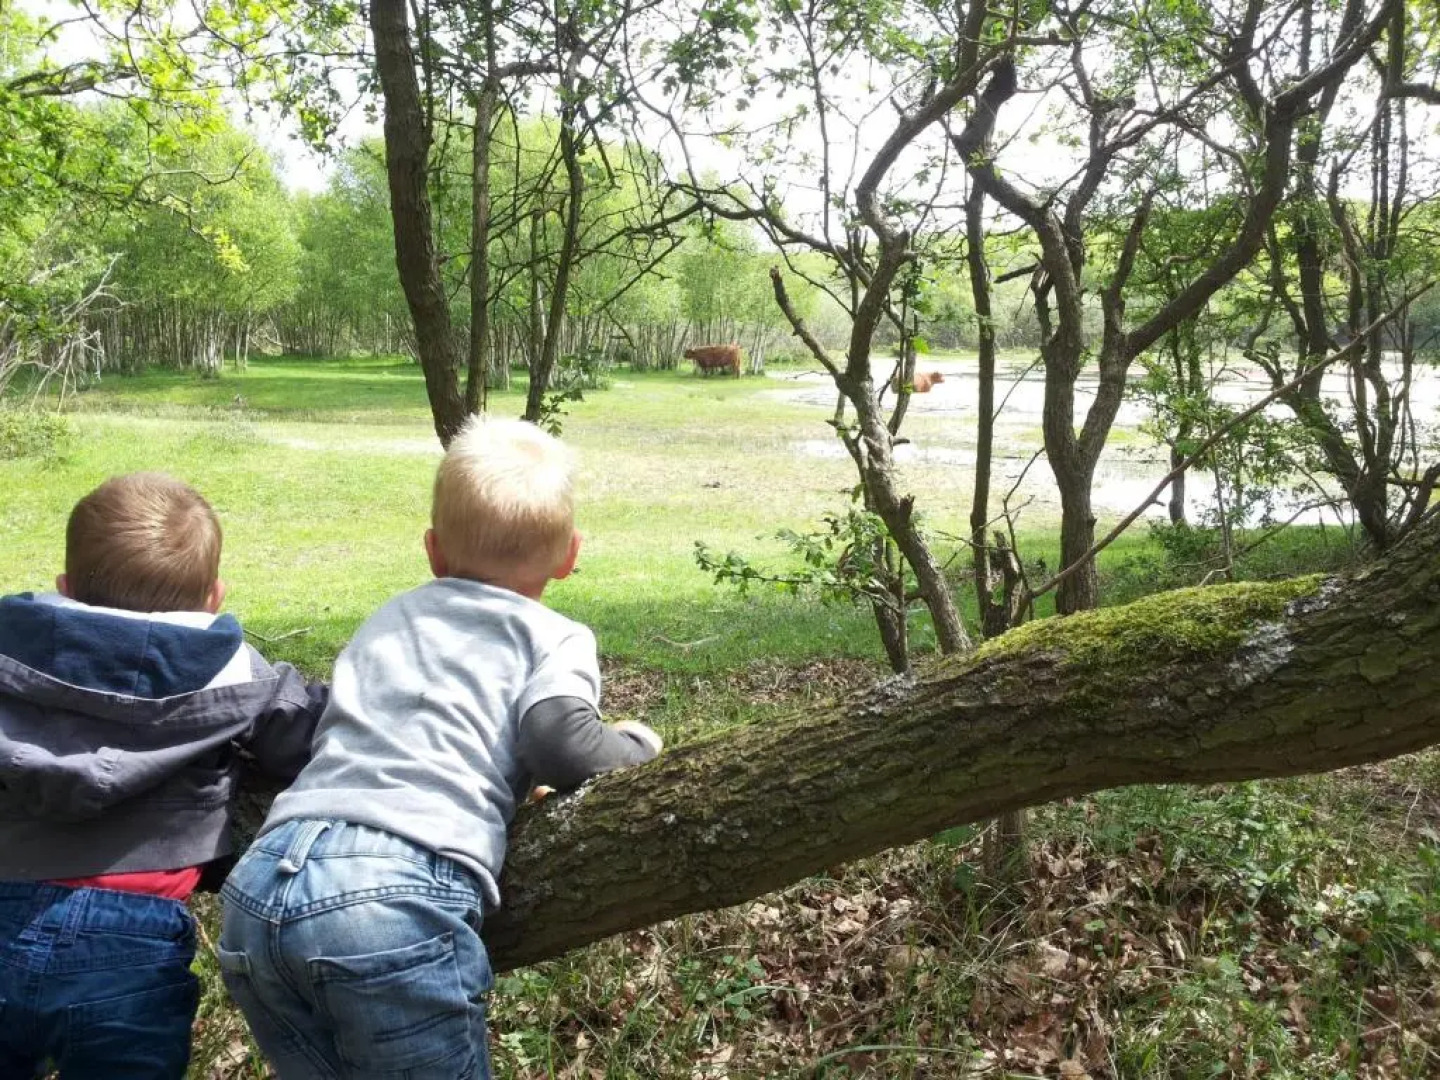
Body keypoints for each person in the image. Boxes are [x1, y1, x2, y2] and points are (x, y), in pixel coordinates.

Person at [219, 417, 664, 1080]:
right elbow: (557, 738)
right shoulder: (551, 634)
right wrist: (635, 746)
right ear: (570, 556)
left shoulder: (389, 617)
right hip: (390, 893)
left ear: (432, 550)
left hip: (260, 888)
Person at [0, 472, 328, 1079]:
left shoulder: (10, 646)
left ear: (65, 586)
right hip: (132, 939)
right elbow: (300, 740)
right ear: (214, 597)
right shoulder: (230, 667)